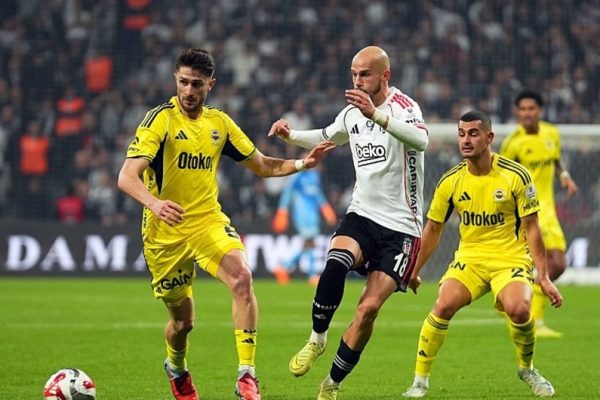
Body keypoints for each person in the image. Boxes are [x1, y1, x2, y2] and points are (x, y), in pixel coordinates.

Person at [117, 48, 334, 400]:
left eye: (197, 84)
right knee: (183, 324)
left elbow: (262, 165)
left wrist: (301, 164)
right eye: (184, 82)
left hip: (207, 222)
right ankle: (176, 367)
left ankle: (247, 375)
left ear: (211, 85)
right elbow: (127, 177)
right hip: (164, 234)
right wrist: (155, 204)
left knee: (242, 277)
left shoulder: (219, 124)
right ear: (175, 80)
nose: (189, 91)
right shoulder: (160, 120)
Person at [269, 46, 428, 399]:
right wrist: (291, 136)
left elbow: (422, 140)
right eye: (354, 74)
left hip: (402, 227)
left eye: (365, 74)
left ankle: (332, 384)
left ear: (385, 75)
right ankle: (317, 338)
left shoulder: (405, 107)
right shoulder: (351, 114)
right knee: (335, 261)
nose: (357, 81)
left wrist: (376, 115)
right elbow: (327, 135)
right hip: (362, 214)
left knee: (367, 310)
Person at [402, 110, 563, 399]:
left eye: (473, 134)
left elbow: (532, 227)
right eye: (461, 134)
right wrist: (414, 269)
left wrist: (544, 276)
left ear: (489, 137)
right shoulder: (450, 181)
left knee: (519, 309)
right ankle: (419, 382)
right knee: (443, 305)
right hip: (471, 258)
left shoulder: (515, 175)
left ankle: (527, 369)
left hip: (510, 258)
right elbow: (433, 229)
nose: (466, 140)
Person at [500, 90, 577, 338]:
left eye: (531, 109)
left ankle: (517, 303)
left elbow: (556, 160)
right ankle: (532, 318)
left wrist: (564, 176)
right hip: (527, 212)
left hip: (549, 211)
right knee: (547, 264)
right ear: (517, 112)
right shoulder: (513, 142)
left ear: (540, 110)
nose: (526, 113)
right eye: (522, 109)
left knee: (558, 264)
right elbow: (501, 177)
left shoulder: (551, 133)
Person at [271, 164, 338, 286]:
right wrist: (282, 211)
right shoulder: (296, 177)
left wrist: (326, 209)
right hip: (301, 214)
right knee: (309, 242)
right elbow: (287, 193)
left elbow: (318, 195)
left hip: (313, 215)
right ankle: (306, 273)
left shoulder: (314, 176)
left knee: (309, 244)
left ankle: (286, 267)